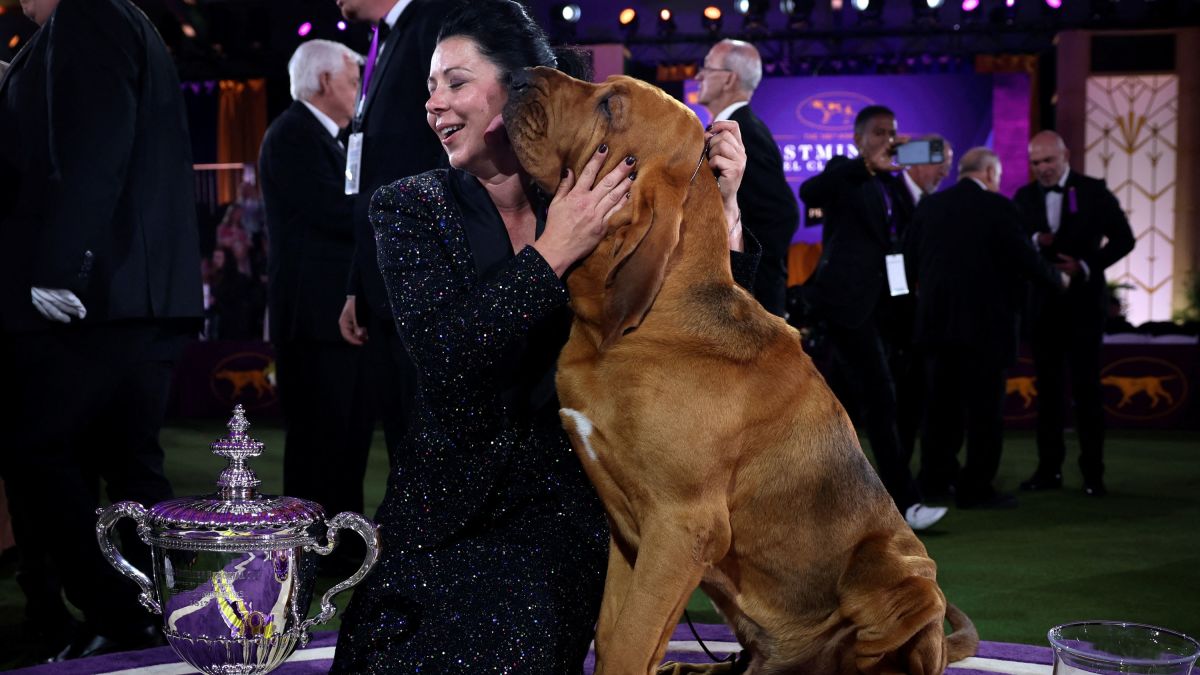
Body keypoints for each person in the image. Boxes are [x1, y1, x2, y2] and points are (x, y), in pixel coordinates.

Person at [330, 1, 756, 670]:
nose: (434, 105)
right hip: (435, 518)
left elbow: (697, 327)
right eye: (430, 87)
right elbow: (446, 360)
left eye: (457, 82)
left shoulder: (598, 198)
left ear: (521, 87)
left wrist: (722, 209)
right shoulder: (408, 207)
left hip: (560, 517)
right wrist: (553, 252)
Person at [0, 0, 202, 660]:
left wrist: (59, 263)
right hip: (138, 294)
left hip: (100, 294)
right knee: (127, 461)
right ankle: (155, 618)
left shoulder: (86, 13)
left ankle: (121, 614)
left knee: (35, 448)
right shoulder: (120, 18)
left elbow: (94, 142)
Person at [798, 106, 947, 531]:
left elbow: (903, 240)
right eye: (880, 132)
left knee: (835, 408)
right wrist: (865, 165)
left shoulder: (895, 185)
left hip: (883, 311)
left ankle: (823, 501)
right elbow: (811, 193)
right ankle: (906, 503)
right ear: (860, 137)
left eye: (894, 132)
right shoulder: (845, 170)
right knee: (881, 400)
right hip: (846, 308)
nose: (889, 139)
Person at [259, 39, 376, 551]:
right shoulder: (293, 136)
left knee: (345, 439)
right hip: (313, 320)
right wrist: (394, 202)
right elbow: (333, 213)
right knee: (319, 440)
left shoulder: (323, 138)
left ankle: (339, 544)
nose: (359, 90)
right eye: (354, 80)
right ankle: (311, 547)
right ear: (325, 81)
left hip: (330, 317)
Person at [334, 0, 459, 465]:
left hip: (425, 277)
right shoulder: (385, 38)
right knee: (402, 444)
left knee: (427, 450)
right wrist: (357, 285)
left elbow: (444, 152)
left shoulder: (433, 22)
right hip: (384, 281)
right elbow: (370, 180)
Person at [904, 148, 1063, 509]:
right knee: (983, 413)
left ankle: (934, 480)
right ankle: (975, 488)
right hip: (986, 332)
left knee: (939, 409)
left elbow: (904, 258)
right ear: (991, 173)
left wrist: (904, 301)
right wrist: (1058, 281)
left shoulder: (928, 207)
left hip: (935, 328)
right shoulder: (1000, 208)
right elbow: (1027, 261)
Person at [1014, 130, 1135, 497]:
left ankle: (1092, 474)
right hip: (1043, 311)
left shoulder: (1094, 191)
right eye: (1036, 163)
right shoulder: (1023, 196)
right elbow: (1014, 242)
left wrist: (1084, 265)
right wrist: (1035, 241)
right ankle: (1048, 471)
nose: (1043, 169)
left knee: (1087, 392)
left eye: (1048, 160)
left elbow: (1124, 239)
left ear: (1065, 156)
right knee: (1048, 395)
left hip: (1084, 309)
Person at [695, 39, 800, 317]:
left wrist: (744, 268)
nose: (698, 75)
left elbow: (783, 214)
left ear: (729, 79)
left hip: (751, 303)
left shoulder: (747, 135)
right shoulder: (740, 130)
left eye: (706, 67)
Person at [887, 135, 953, 477]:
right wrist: (903, 297)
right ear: (913, 160)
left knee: (924, 400)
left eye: (949, 163)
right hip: (890, 318)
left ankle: (927, 474)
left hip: (925, 322)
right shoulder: (887, 192)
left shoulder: (937, 205)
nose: (945, 170)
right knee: (898, 405)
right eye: (939, 161)